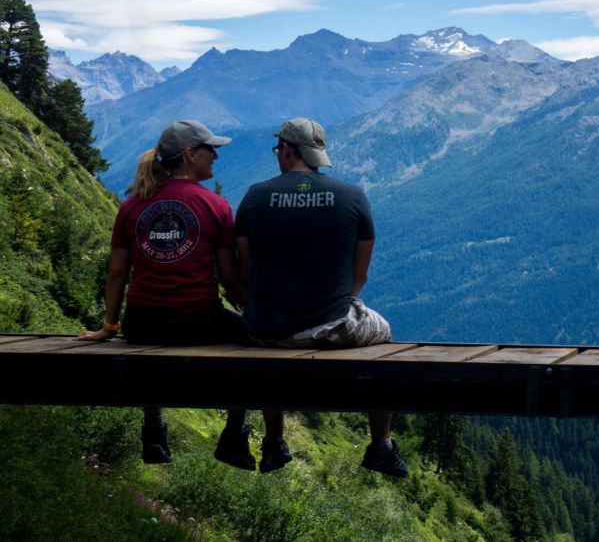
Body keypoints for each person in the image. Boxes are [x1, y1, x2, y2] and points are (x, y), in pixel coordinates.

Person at [230, 117, 407, 476]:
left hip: (264, 327)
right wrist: (334, 303)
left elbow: (245, 272)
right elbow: (360, 275)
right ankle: (381, 446)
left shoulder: (254, 195)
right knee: (384, 334)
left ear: (288, 150)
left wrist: (274, 304)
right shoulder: (352, 196)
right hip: (330, 327)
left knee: (269, 351)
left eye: (278, 148)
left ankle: (274, 441)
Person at [76, 120, 253, 467]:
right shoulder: (216, 206)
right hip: (199, 322)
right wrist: (254, 315)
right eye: (209, 149)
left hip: (141, 323)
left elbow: (116, 272)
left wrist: (110, 327)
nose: (215, 156)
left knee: (148, 343)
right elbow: (230, 279)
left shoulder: (132, 205)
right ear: (189, 155)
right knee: (252, 346)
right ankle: (234, 435)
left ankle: (153, 430)